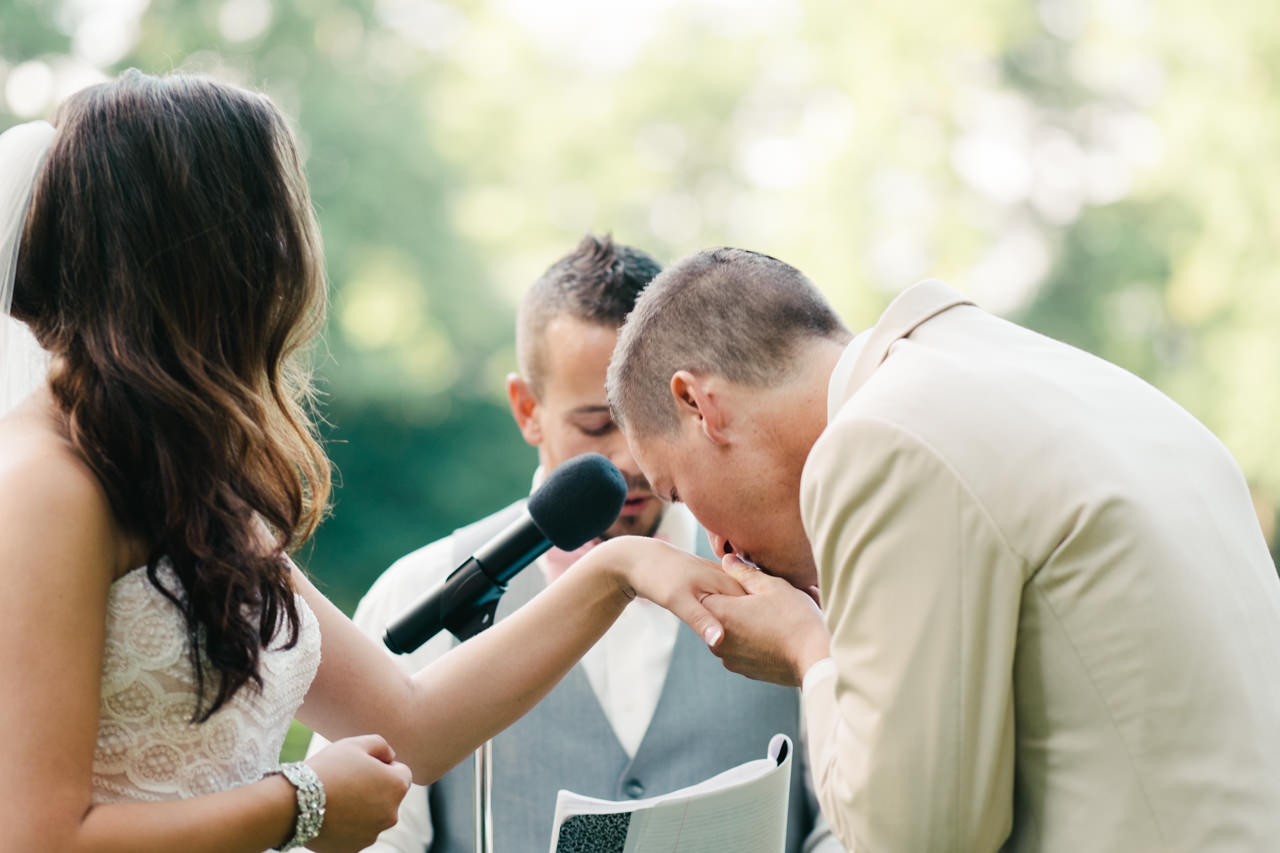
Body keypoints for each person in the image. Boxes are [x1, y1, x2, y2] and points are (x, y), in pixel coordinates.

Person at [0, 71, 739, 853]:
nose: (290, 253)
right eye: (271, 222)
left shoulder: (180, 476)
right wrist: (300, 802)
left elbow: (411, 722)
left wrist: (616, 570)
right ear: (198, 253)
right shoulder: (49, 483)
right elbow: (34, 836)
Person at [604, 247, 1280, 851]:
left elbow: (917, 837)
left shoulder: (882, 443)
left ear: (697, 403)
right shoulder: (1067, 382)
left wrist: (809, 649)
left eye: (679, 491)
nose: (717, 544)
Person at [311, 235, 841, 852]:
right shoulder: (417, 590)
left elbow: (848, 812)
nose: (630, 457)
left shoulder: (786, 576)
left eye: (650, 421)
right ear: (526, 408)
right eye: (597, 424)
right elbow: (362, 836)